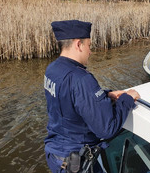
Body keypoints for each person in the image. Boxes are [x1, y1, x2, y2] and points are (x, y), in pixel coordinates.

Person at [44, 20, 140, 173]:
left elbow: (69, 99)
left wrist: (105, 95)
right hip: (77, 163)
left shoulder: (52, 69)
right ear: (78, 44)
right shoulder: (81, 78)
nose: (90, 51)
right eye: (88, 45)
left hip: (55, 154)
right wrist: (127, 99)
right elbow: (107, 129)